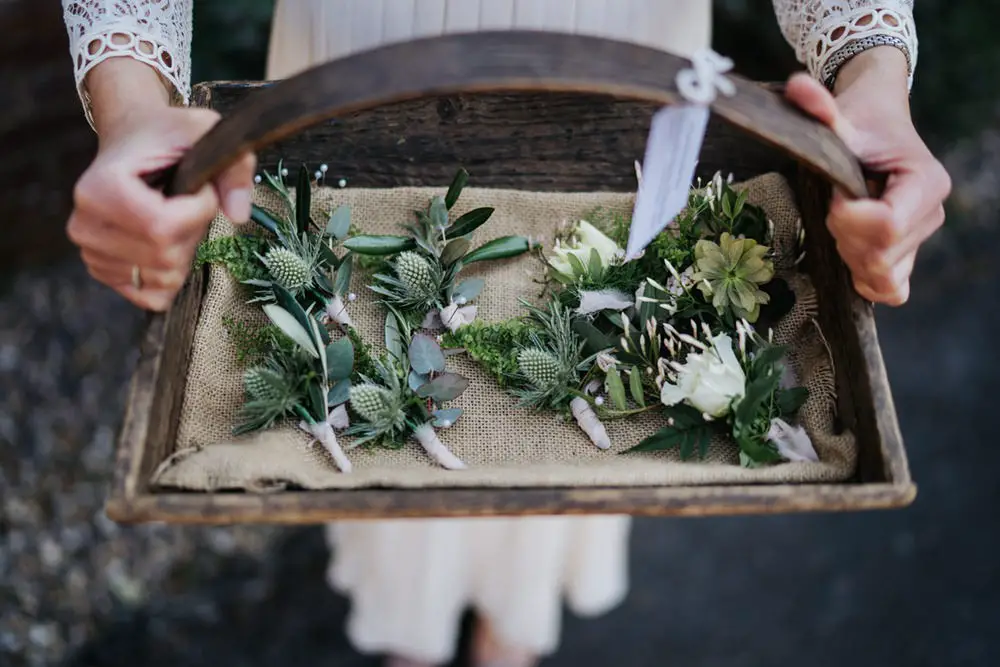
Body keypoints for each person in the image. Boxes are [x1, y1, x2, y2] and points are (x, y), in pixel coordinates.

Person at [60, 2, 949, 666]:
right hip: (359, 61)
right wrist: (130, 94)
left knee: (598, 412)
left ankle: (510, 631)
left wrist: (868, 63)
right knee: (384, 475)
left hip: (626, 69)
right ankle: (410, 627)